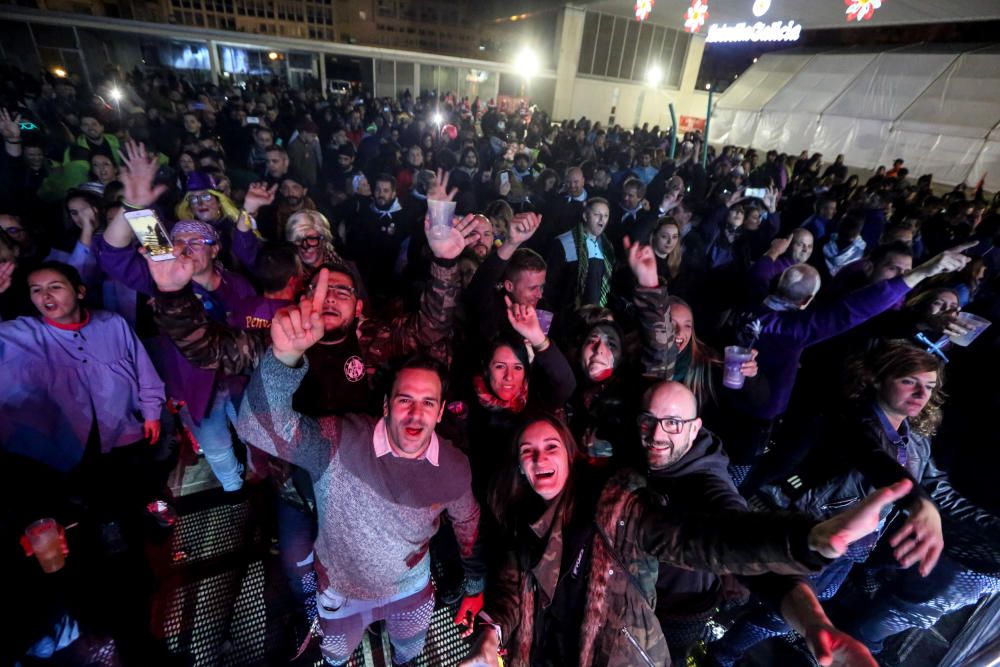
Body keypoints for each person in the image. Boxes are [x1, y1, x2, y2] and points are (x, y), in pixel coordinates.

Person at [458, 411, 913, 667]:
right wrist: (489, 632)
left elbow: (706, 540)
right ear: (519, 467)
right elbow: (510, 594)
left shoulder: (612, 507)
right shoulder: (522, 525)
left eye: (550, 446)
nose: (539, 458)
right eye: (529, 452)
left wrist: (807, 540)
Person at [235, 277, 486, 666]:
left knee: (410, 652)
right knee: (336, 657)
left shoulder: (453, 466)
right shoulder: (341, 439)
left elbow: (468, 522)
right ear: (385, 405)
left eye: (427, 403)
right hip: (340, 596)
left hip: (411, 592)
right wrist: (283, 359)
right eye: (404, 400)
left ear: (440, 412)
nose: (416, 413)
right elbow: (258, 427)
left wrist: (475, 583)